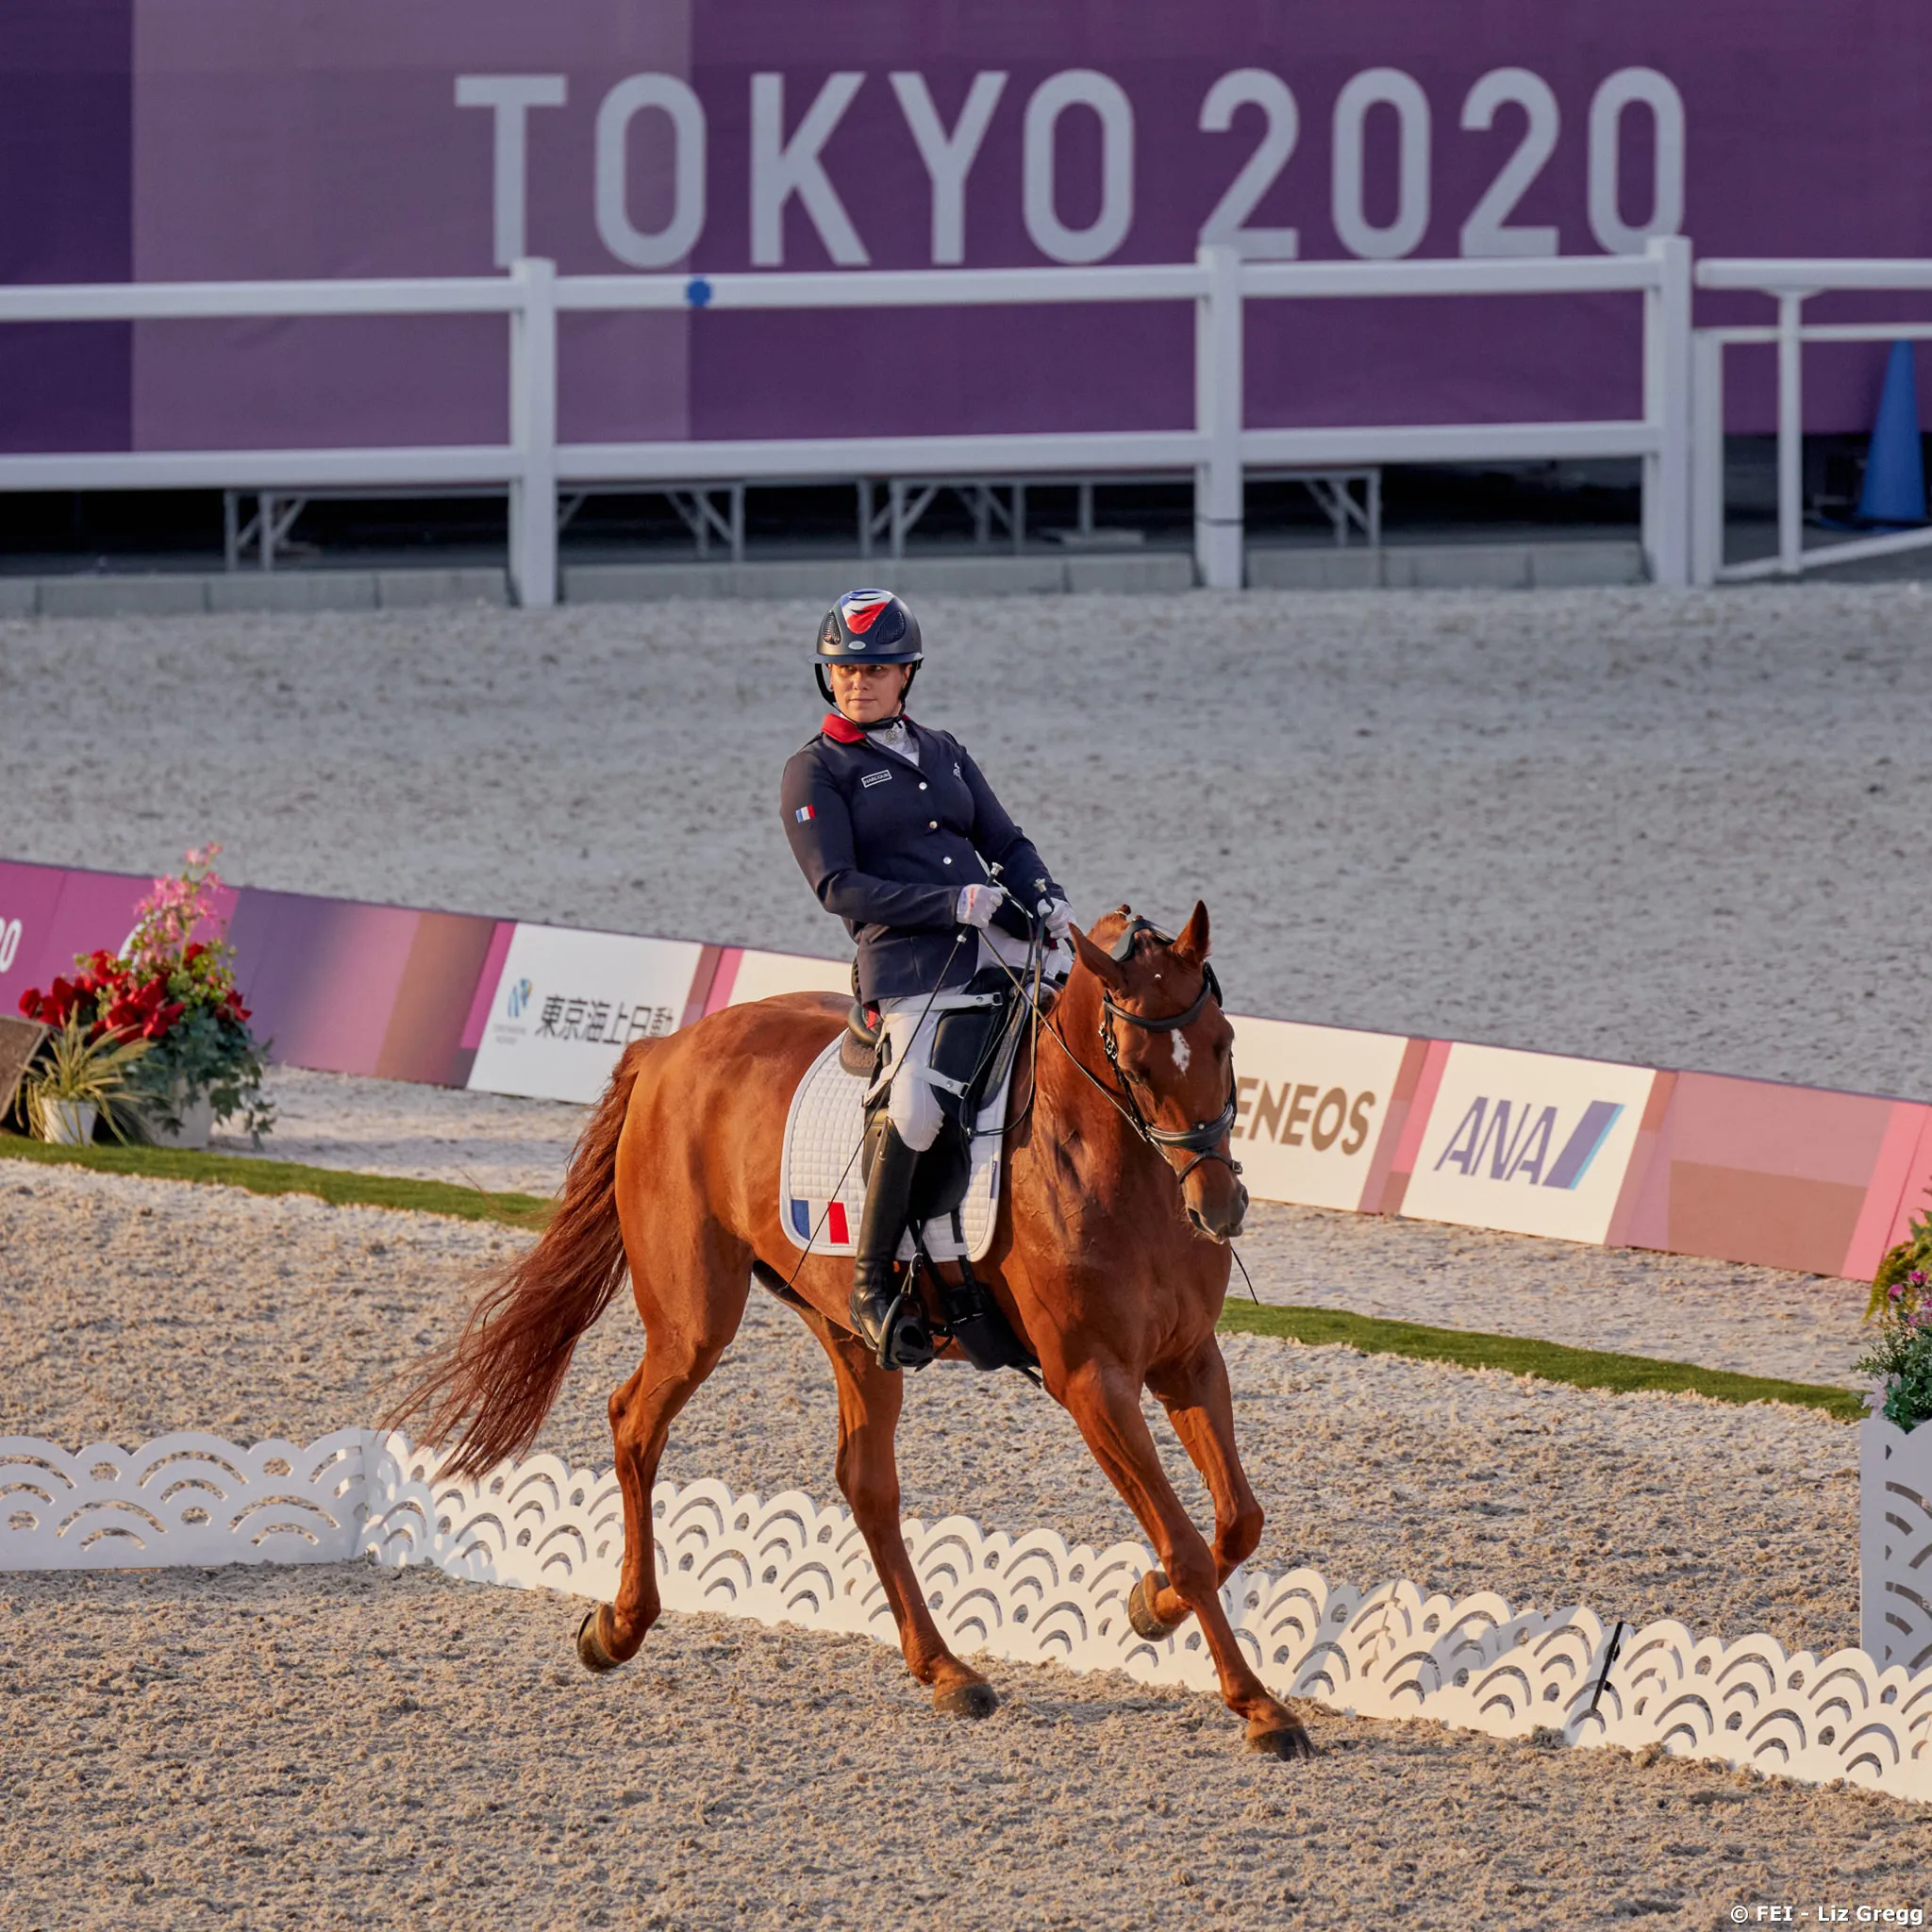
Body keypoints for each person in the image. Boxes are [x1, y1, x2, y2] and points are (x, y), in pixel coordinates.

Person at [781, 589, 1075, 1371]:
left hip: (995, 943)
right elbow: (837, 886)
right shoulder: (817, 770)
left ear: (906, 673)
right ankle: (873, 1287)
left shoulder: (942, 750)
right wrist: (951, 901)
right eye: (844, 670)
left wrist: (1043, 897)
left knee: (1086, 1037)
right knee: (913, 1107)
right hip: (909, 966)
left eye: (875, 669)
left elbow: (1004, 837)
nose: (858, 683)